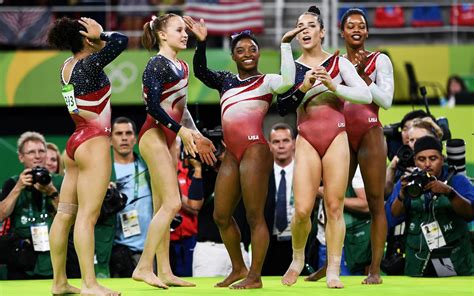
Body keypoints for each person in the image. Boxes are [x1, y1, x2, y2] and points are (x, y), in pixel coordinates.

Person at [185, 15, 303, 289]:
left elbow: (288, 80)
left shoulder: (267, 81)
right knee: (221, 215)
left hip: (254, 150)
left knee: (254, 216)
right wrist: (201, 43)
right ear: (233, 56)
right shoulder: (225, 80)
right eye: (241, 50)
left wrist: (285, 44)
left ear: (259, 53)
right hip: (232, 154)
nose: (247, 54)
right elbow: (201, 72)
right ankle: (238, 266)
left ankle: (255, 276)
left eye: (252, 49)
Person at [276, 6, 372, 288]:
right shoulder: (292, 66)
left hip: (336, 138)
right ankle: (296, 259)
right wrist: (302, 86)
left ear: (322, 32)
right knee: (303, 210)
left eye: (310, 26)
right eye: (299, 26)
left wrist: (334, 86)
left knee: (334, 206)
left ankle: (333, 269)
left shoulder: (339, 64)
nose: (304, 30)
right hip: (306, 138)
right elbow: (281, 104)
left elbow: (365, 93)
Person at [131, 13, 216, 289]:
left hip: (170, 137)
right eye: (179, 30)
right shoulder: (156, 65)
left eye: (185, 31)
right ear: (162, 35)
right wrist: (181, 132)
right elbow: (153, 107)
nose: (185, 34)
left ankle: (165, 271)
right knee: (173, 204)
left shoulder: (181, 65)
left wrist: (197, 134)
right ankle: (144, 267)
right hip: (153, 135)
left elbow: (183, 107)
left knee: (161, 207)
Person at [47, 16, 128, 295]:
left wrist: (93, 37)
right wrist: (101, 33)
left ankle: (59, 282)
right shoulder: (89, 64)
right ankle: (89, 283)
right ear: (85, 38)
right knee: (88, 217)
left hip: (75, 142)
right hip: (94, 142)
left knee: (65, 214)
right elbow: (122, 41)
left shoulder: (66, 67)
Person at [339, 8, 395, 284]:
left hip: (370, 132)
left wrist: (364, 76)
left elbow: (385, 101)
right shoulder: (334, 63)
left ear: (367, 32)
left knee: (375, 203)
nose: (356, 29)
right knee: (333, 201)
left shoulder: (379, 60)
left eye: (361, 25)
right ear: (342, 32)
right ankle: (328, 266)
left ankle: (374, 269)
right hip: (342, 134)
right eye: (351, 26)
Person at [389, 136, 474, 276]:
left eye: (433, 158)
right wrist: (402, 196)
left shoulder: (457, 180)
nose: (427, 164)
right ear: (415, 160)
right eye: (421, 159)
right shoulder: (408, 183)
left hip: (455, 259)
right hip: (417, 261)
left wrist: (448, 192)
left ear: (442, 158)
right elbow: (393, 217)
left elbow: (470, 214)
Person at [0, 132, 62, 280]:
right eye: (31, 152)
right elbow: (2, 214)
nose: (37, 156)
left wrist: (52, 192)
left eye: (41, 151)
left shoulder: (59, 182)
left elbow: (70, 216)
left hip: (53, 260)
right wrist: (18, 188)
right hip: (21, 262)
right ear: (21, 157)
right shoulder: (12, 183)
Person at [108, 117, 154, 278]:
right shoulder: (104, 170)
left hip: (148, 251)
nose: (124, 137)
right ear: (110, 139)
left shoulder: (147, 166)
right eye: (119, 133)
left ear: (135, 139)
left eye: (128, 133)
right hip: (116, 250)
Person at [262, 123, 296, 276]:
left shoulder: (306, 169)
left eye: (286, 141)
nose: (281, 146)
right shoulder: (261, 173)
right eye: (276, 142)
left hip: (299, 243)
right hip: (269, 244)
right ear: (269, 145)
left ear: (294, 143)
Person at [169, 138, 205, 277]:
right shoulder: (158, 172)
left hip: (189, 236)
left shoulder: (188, 171)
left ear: (180, 149)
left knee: (190, 278)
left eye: (175, 146)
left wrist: (177, 198)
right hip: (167, 239)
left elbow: (194, 207)